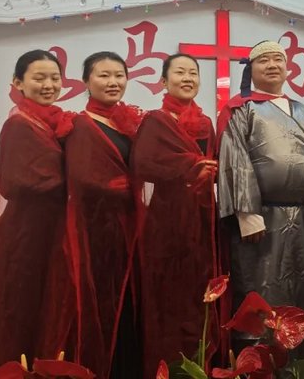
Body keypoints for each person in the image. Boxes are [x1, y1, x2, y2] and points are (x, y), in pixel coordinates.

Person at [0, 50, 75, 378]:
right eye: (39, 78)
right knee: (17, 313)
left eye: (54, 78)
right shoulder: (18, 124)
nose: (49, 85)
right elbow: (14, 183)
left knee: (45, 312)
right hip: (24, 237)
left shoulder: (52, 122)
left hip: (52, 233)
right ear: (18, 82)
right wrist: (74, 178)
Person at [217, 41, 304, 359]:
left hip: (303, 217)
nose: (273, 65)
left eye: (279, 59)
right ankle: (261, 364)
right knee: (263, 294)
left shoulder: (302, 109)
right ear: (252, 69)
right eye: (264, 60)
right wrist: (246, 214)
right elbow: (234, 159)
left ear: (288, 68)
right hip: (261, 218)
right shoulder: (240, 107)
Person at [132, 54, 219, 378]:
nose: (187, 78)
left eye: (193, 73)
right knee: (167, 297)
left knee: (200, 299)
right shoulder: (155, 120)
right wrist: (188, 167)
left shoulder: (206, 124)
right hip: (166, 221)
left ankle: (200, 368)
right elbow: (143, 165)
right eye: (179, 72)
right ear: (164, 81)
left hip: (201, 219)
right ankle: (166, 368)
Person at [65, 52, 143, 378]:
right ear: (85, 82)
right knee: (102, 306)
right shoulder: (81, 124)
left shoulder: (128, 124)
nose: (113, 82)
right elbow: (84, 179)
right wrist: (131, 189)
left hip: (129, 230)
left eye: (119, 75)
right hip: (97, 231)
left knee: (128, 307)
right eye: (103, 75)